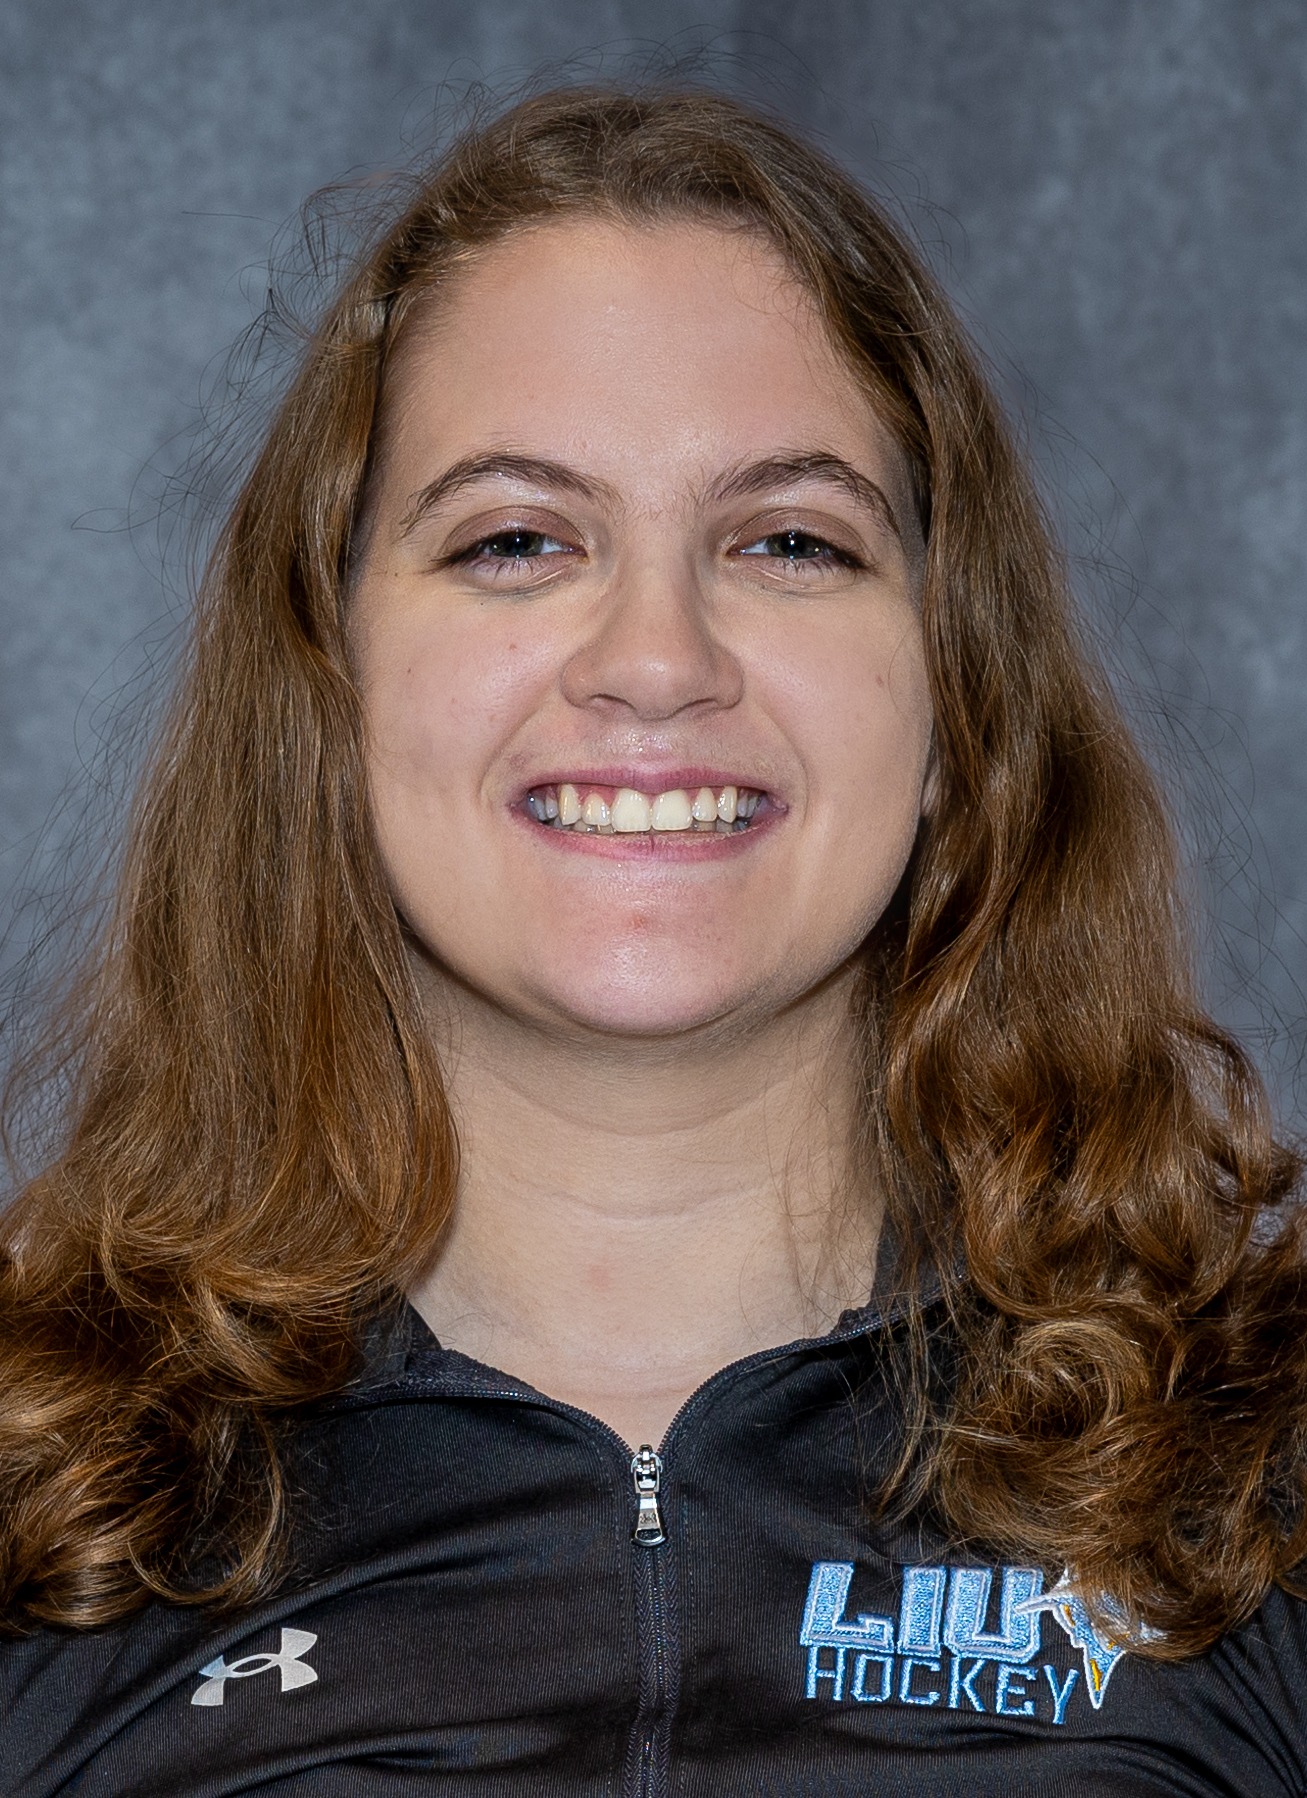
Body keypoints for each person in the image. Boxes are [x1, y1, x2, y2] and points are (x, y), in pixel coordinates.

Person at [1, 83, 1305, 1797]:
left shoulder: (1258, 1466)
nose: (657, 660)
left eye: (789, 541)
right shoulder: (46, 1500)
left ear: (957, 697)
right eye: (517, 540)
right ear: (328, 680)